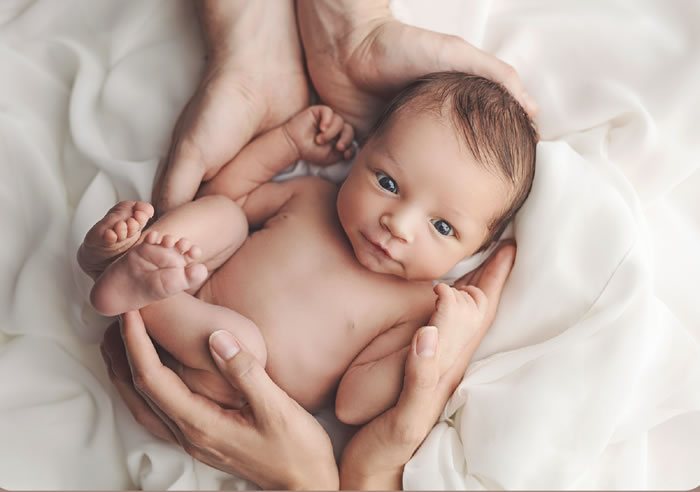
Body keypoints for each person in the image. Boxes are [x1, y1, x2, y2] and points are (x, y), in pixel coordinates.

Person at [100, 0, 538, 487]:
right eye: (388, 183)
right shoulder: (313, 198)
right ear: (361, 153)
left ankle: (129, 285)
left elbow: (353, 402)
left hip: (219, 391)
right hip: (187, 281)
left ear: (475, 251)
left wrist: (436, 346)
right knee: (223, 217)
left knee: (244, 344)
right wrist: (288, 143)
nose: (398, 223)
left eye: (442, 228)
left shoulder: (418, 308)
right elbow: (229, 193)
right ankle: (131, 260)